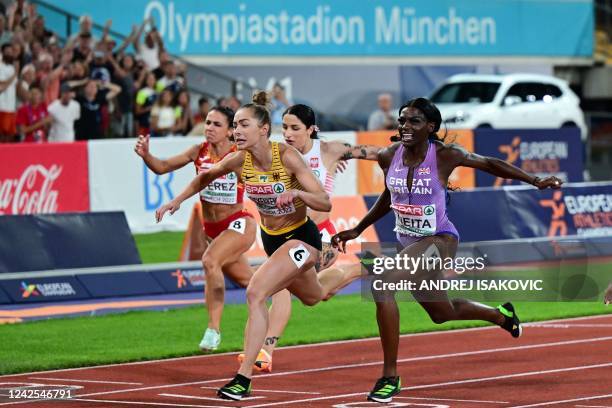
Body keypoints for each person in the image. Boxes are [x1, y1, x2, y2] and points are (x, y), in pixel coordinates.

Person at [332, 97, 563, 404]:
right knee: (442, 313)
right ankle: (501, 315)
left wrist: (534, 180)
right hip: (409, 244)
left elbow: (490, 163)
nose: (405, 126)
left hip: (440, 241)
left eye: (414, 121)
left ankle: (389, 376)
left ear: (431, 127)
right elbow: (389, 196)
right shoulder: (389, 156)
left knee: (384, 283)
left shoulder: (444, 155)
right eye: (402, 120)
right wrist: (358, 228)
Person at [155, 91, 348, 401]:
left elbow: (323, 200)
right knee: (315, 295)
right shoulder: (238, 160)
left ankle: (243, 377)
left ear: (262, 130)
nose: (236, 131)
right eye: (234, 125)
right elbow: (206, 176)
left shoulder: (286, 156)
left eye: (243, 124)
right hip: (272, 238)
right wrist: (176, 201)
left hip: (301, 237)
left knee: (256, 291)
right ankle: (359, 269)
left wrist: (297, 195)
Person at [136, 105, 291, 357]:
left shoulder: (239, 154)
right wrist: (146, 156)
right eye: (207, 122)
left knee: (209, 260)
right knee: (249, 281)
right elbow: (162, 167)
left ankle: (213, 330)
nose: (209, 128)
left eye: (216, 124)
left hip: (239, 224)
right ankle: (281, 289)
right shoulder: (199, 151)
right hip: (213, 230)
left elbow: (271, 169)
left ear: (231, 131)